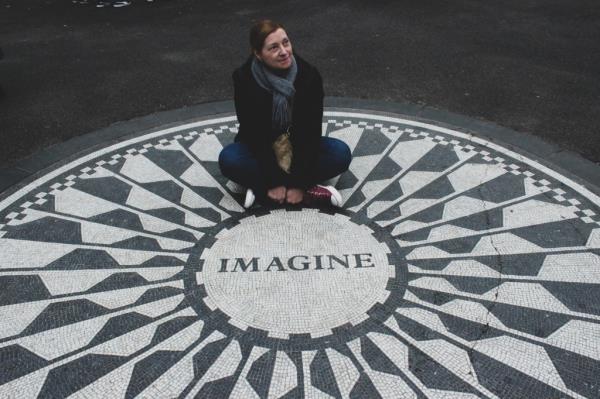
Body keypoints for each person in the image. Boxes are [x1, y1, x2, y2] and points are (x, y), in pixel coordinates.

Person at [219, 20, 352, 208]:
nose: (284, 51)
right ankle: (306, 191)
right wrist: (274, 181)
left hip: (299, 147)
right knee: (229, 159)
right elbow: (254, 134)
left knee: (340, 154)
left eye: (286, 42)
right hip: (262, 149)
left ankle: (260, 189)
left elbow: (310, 133)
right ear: (258, 54)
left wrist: (298, 183)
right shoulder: (244, 79)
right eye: (273, 48)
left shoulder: (308, 76)